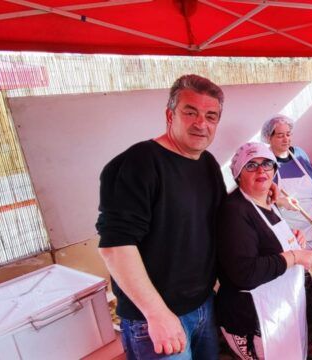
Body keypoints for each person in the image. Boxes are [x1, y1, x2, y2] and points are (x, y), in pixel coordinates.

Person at [97, 74, 226, 359]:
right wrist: (158, 315)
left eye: (210, 116)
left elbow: (220, 216)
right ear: (170, 115)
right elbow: (115, 247)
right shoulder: (138, 163)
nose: (201, 123)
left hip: (202, 305)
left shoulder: (207, 163)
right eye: (190, 112)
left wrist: (261, 194)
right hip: (156, 318)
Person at [216, 142, 312, 360]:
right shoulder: (234, 211)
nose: (261, 170)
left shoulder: (266, 200)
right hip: (252, 318)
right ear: (238, 174)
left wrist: (291, 240)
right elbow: (245, 273)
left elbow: (264, 240)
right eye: (251, 166)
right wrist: (294, 256)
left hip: (281, 309)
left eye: (267, 164)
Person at [262, 114, 312, 249]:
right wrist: (281, 201)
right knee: (299, 269)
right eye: (280, 135)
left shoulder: (300, 154)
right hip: (290, 232)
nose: (286, 139)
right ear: (269, 138)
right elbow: (259, 199)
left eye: (288, 134)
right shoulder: (265, 163)